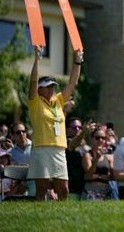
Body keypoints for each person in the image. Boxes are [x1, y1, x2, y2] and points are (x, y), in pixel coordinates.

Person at [27, 45, 83, 201]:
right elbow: (32, 81)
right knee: (42, 188)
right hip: (41, 148)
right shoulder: (34, 102)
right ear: (39, 90)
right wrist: (37, 60)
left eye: (52, 87)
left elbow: (72, 84)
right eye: (47, 87)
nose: (51, 89)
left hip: (59, 149)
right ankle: (38, 217)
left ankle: (61, 216)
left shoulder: (57, 100)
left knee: (63, 189)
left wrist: (77, 62)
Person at [82, 126, 114, 200]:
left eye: (103, 138)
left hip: (106, 191)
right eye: (97, 138)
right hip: (91, 190)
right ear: (92, 139)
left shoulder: (109, 157)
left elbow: (112, 177)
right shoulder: (87, 155)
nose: (100, 140)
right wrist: (96, 160)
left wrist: (97, 176)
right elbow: (89, 174)